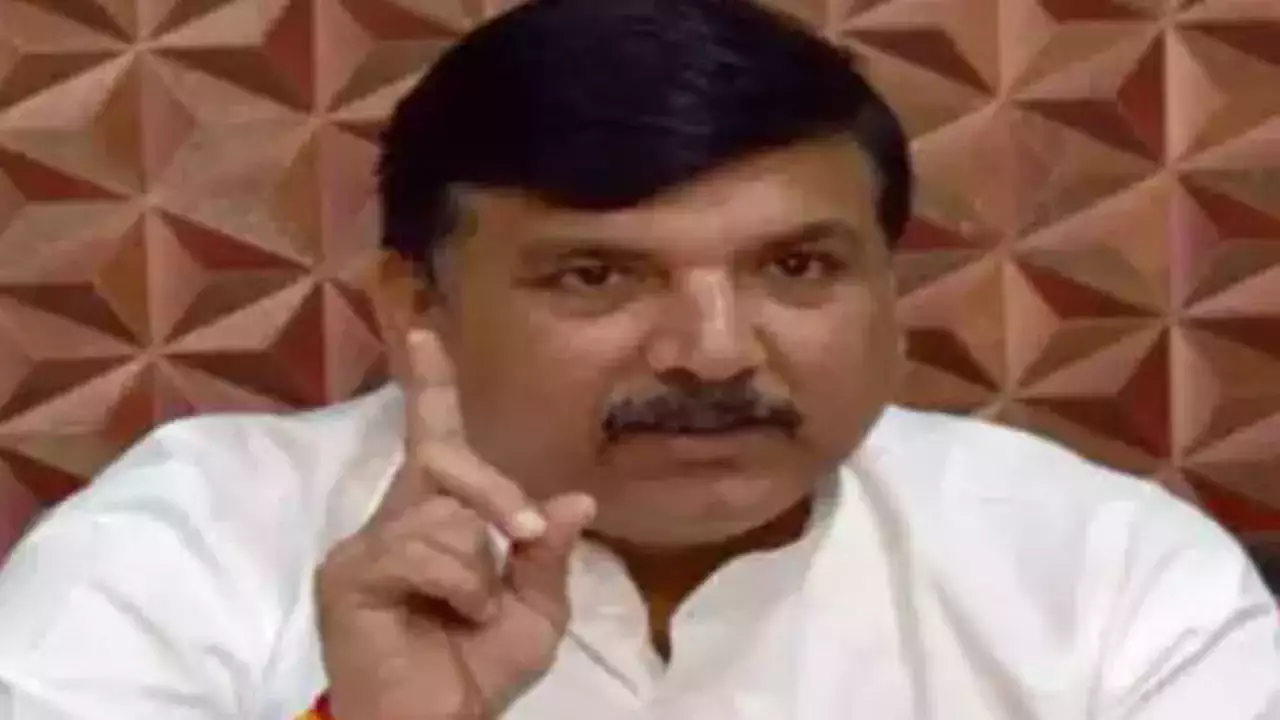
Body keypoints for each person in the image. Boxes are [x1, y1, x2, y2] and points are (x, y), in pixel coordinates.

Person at [1, 0, 1277, 717]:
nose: (712, 354)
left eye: (796, 268)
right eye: (596, 276)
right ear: (416, 305)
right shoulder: (187, 543)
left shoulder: (1102, 570)